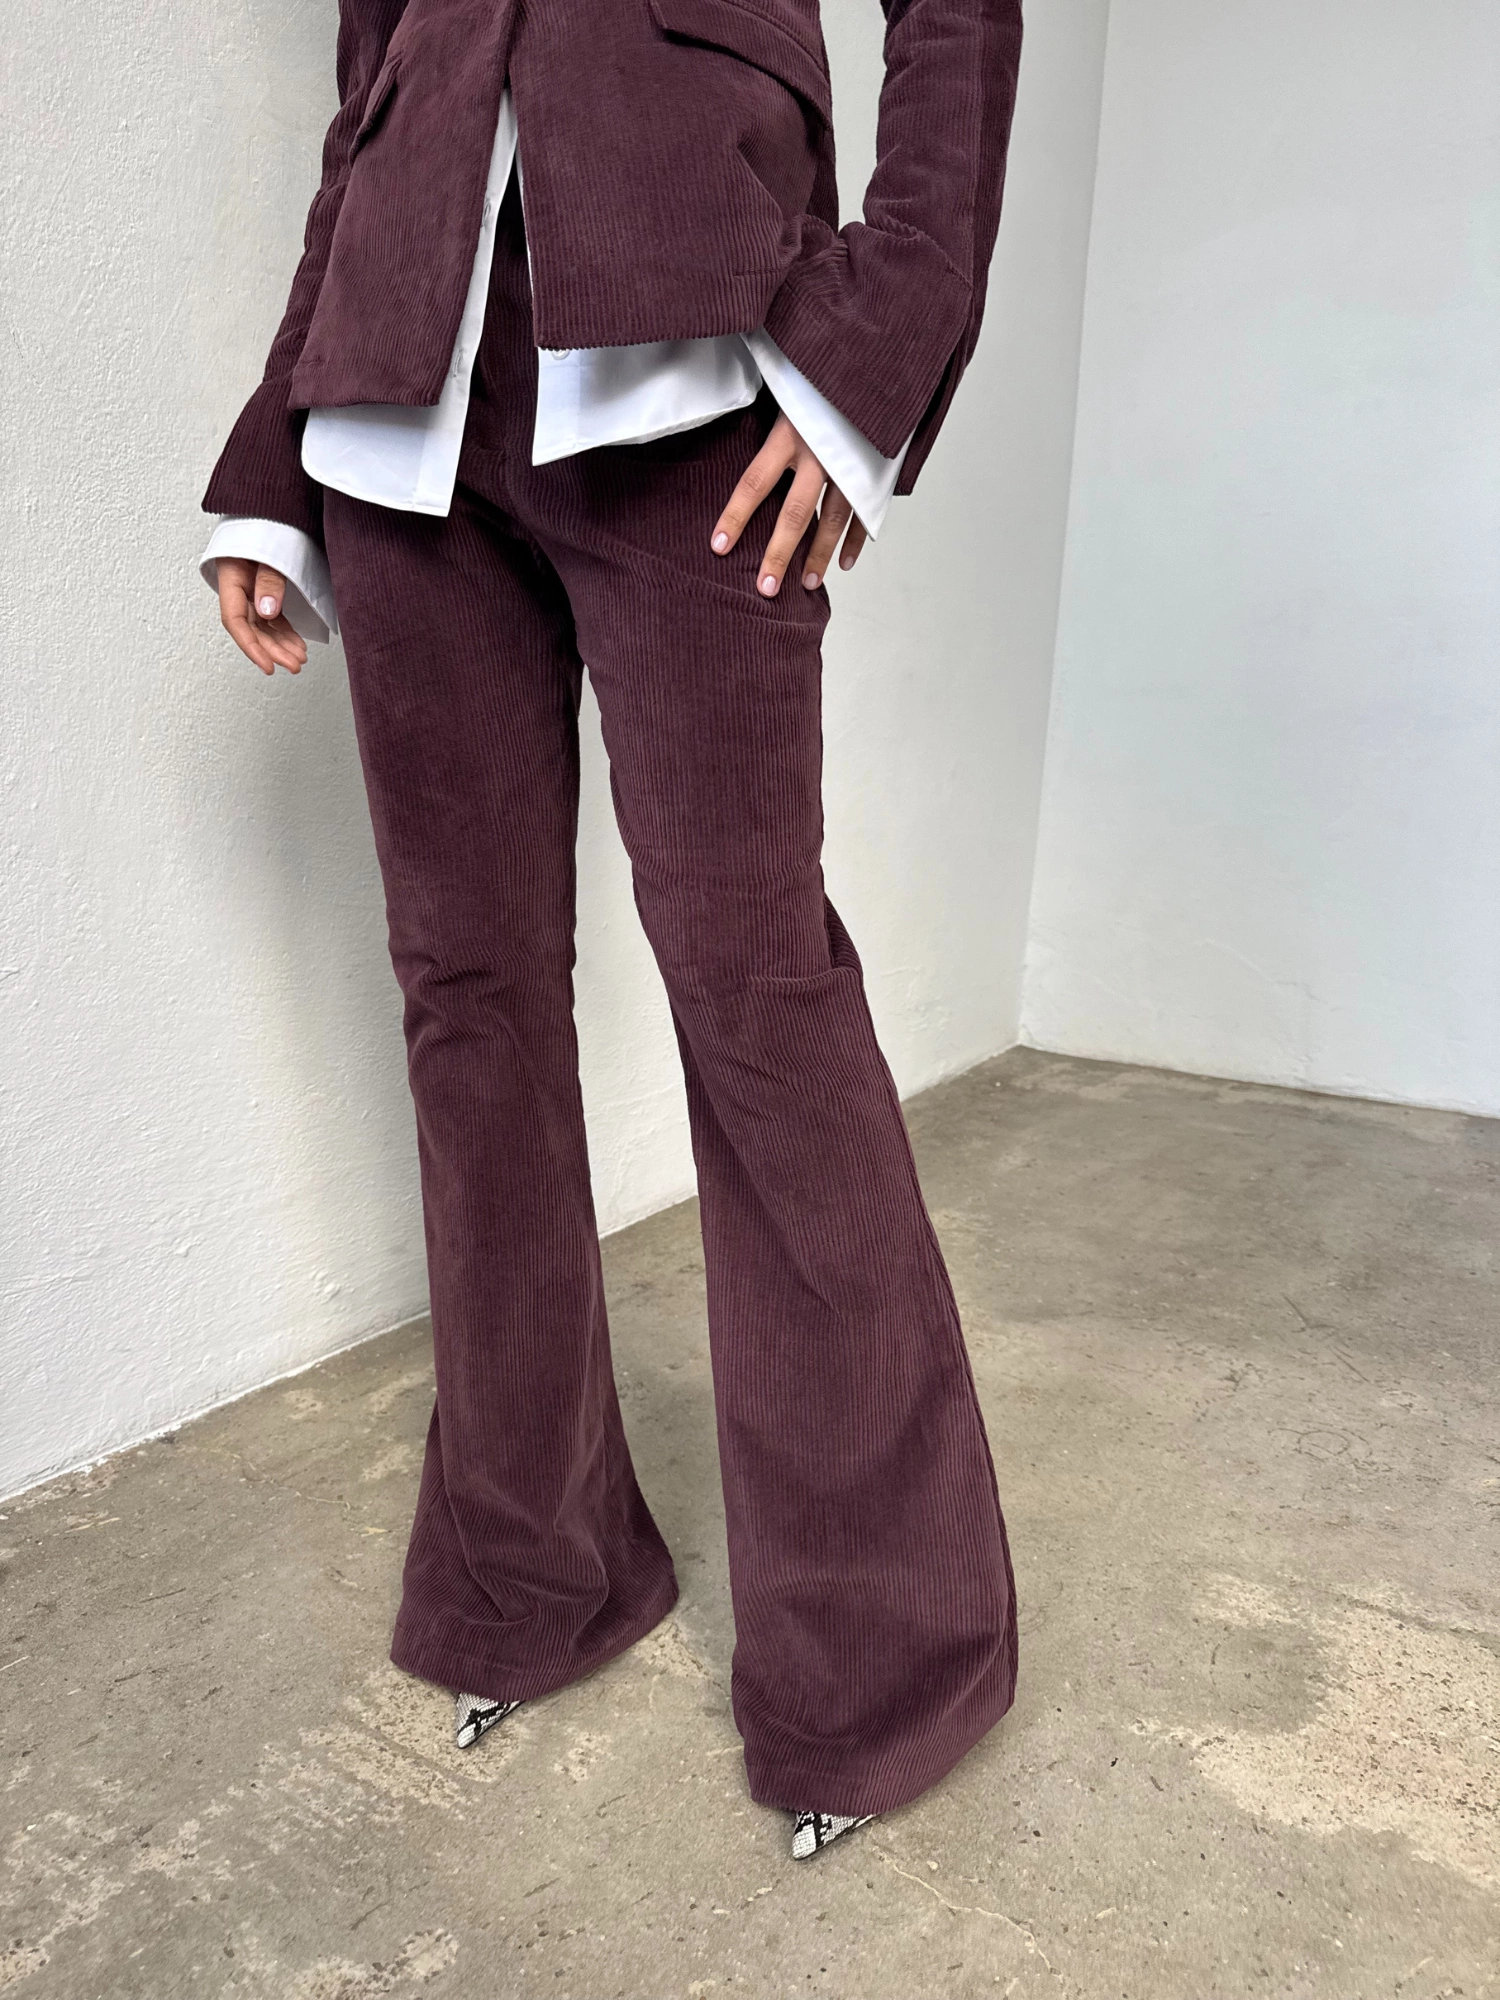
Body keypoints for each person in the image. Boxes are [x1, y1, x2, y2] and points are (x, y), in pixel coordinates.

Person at [200, 0, 1024, 1863]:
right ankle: (531, 1571)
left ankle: (884, 1657)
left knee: (755, 997)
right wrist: (274, 445)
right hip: (399, 404)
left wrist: (874, 342)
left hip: (697, 351)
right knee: (468, 1003)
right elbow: (368, 91)